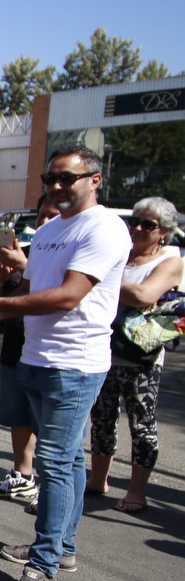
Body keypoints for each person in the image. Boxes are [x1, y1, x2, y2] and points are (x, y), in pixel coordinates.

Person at [0, 146, 131, 581]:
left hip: (74, 364)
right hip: (35, 357)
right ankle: (62, 546)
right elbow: (35, 288)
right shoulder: (52, 228)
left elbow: (67, 297)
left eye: (67, 178)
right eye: (49, 177)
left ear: (95, 179)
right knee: (69, 461)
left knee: (53, 463)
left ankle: (44, 569)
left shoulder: (105, 228)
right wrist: (3, 290)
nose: (55, 186)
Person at [86, 197, 182, 513]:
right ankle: (98, 480)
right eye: (135, 222)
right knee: (101, 419)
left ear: (165, 232)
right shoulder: (122, 256)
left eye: (148, 225)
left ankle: (137, 491)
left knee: (141, 425)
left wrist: (101, 278)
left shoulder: (170, 261)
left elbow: (145, 295)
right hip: (104, 350)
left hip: (141, 359)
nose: (138, 229)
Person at [0, 196, 59, 503]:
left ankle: (49, 486)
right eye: (40, 216)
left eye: (51, 216)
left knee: (46, 424)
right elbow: (4, 302)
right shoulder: (25, 252)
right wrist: (1, 280)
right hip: (16, 348)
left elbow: (54, 295)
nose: (42, 222)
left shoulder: (59, 258)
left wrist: (24, 266)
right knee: (18, 416)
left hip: (50, 353)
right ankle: (22, 474)